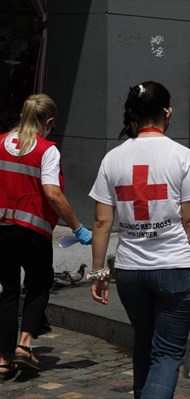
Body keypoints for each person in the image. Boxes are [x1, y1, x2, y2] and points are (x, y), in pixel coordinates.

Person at [89, 82, 190, 398]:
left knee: (144, 343)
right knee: (166, 354)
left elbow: (101, 221)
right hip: (177, 269)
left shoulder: (112, 159)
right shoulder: (182, 157)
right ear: (168, 112)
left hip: (130, 272)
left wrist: (97, 272)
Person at [0, 94, 92, 374]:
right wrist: (77, 225)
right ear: (48, 121)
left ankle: (3, 360)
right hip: (32, 232)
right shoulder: (46, 149)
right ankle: (24, 345)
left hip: (1, 230)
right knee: (40, 284)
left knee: (8, 291)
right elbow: (52, 193)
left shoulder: (0, 141)